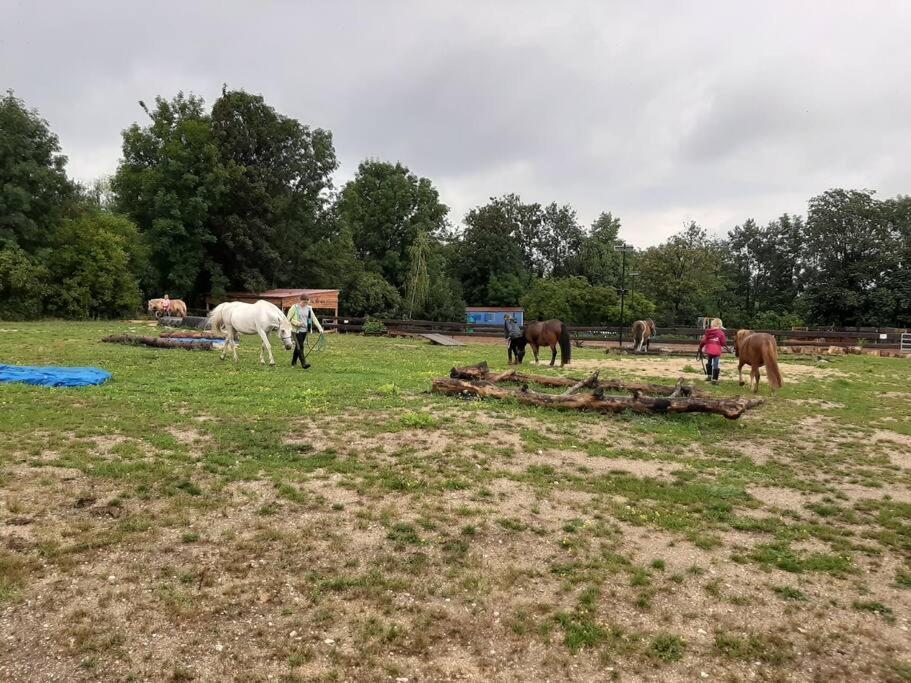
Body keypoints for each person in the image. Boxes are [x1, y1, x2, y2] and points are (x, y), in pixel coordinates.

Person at [287, 294, 324, 369]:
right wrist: (298, 323)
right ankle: (304, 364)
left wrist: (320, 328)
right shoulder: (294, 308)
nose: (305, 304)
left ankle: (293, 362)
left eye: (307, 302)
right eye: (304, 302)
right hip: (295, 331)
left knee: (298, 347)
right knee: (300, 346)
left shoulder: (309, 308)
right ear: (300, 300)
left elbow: (314, 318)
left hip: (304, 331)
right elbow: (288, 318)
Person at [698, 318, 727, 384]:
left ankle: (709, 376)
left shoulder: (708, 332)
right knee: (716, 364)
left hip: (709, 350)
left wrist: (700, 348)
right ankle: (714, 379)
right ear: (720, 325)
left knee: (709, 362)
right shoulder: (721, 333)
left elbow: (703, 341)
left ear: (712, 324)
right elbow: (723, 343)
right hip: (717, 351)